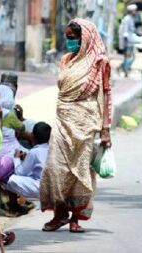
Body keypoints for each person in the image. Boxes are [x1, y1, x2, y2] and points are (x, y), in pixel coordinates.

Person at [40, 18, 112, 233]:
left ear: (86, 38)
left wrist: (105, 129)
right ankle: (59, 214)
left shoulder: (100, 62)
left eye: (74, 38)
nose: (70, 42)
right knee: (55, 167)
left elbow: (106, 96)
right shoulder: (65, 60)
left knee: (80, 170)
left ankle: (75, 218)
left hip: (87, 122)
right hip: (63, 120)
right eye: (68, 38)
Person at [6, 122, 51, 199]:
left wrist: (16, 158)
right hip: (54, 187)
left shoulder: (34, 152)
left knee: (12, 179)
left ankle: (16, 204)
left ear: (32, 136)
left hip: (42, 188)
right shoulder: (52, 150)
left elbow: (19, 172)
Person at [118, 4, 138, 77]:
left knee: (131, 57)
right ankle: (124, 69)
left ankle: (123, 68)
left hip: (131, 42)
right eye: (134, 11)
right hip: (128, 42)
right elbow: (125, 32)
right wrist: (126, 43)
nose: (136, 12)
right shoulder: (127, 19)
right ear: (131, 11)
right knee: (129, 57)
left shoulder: (131, 19)